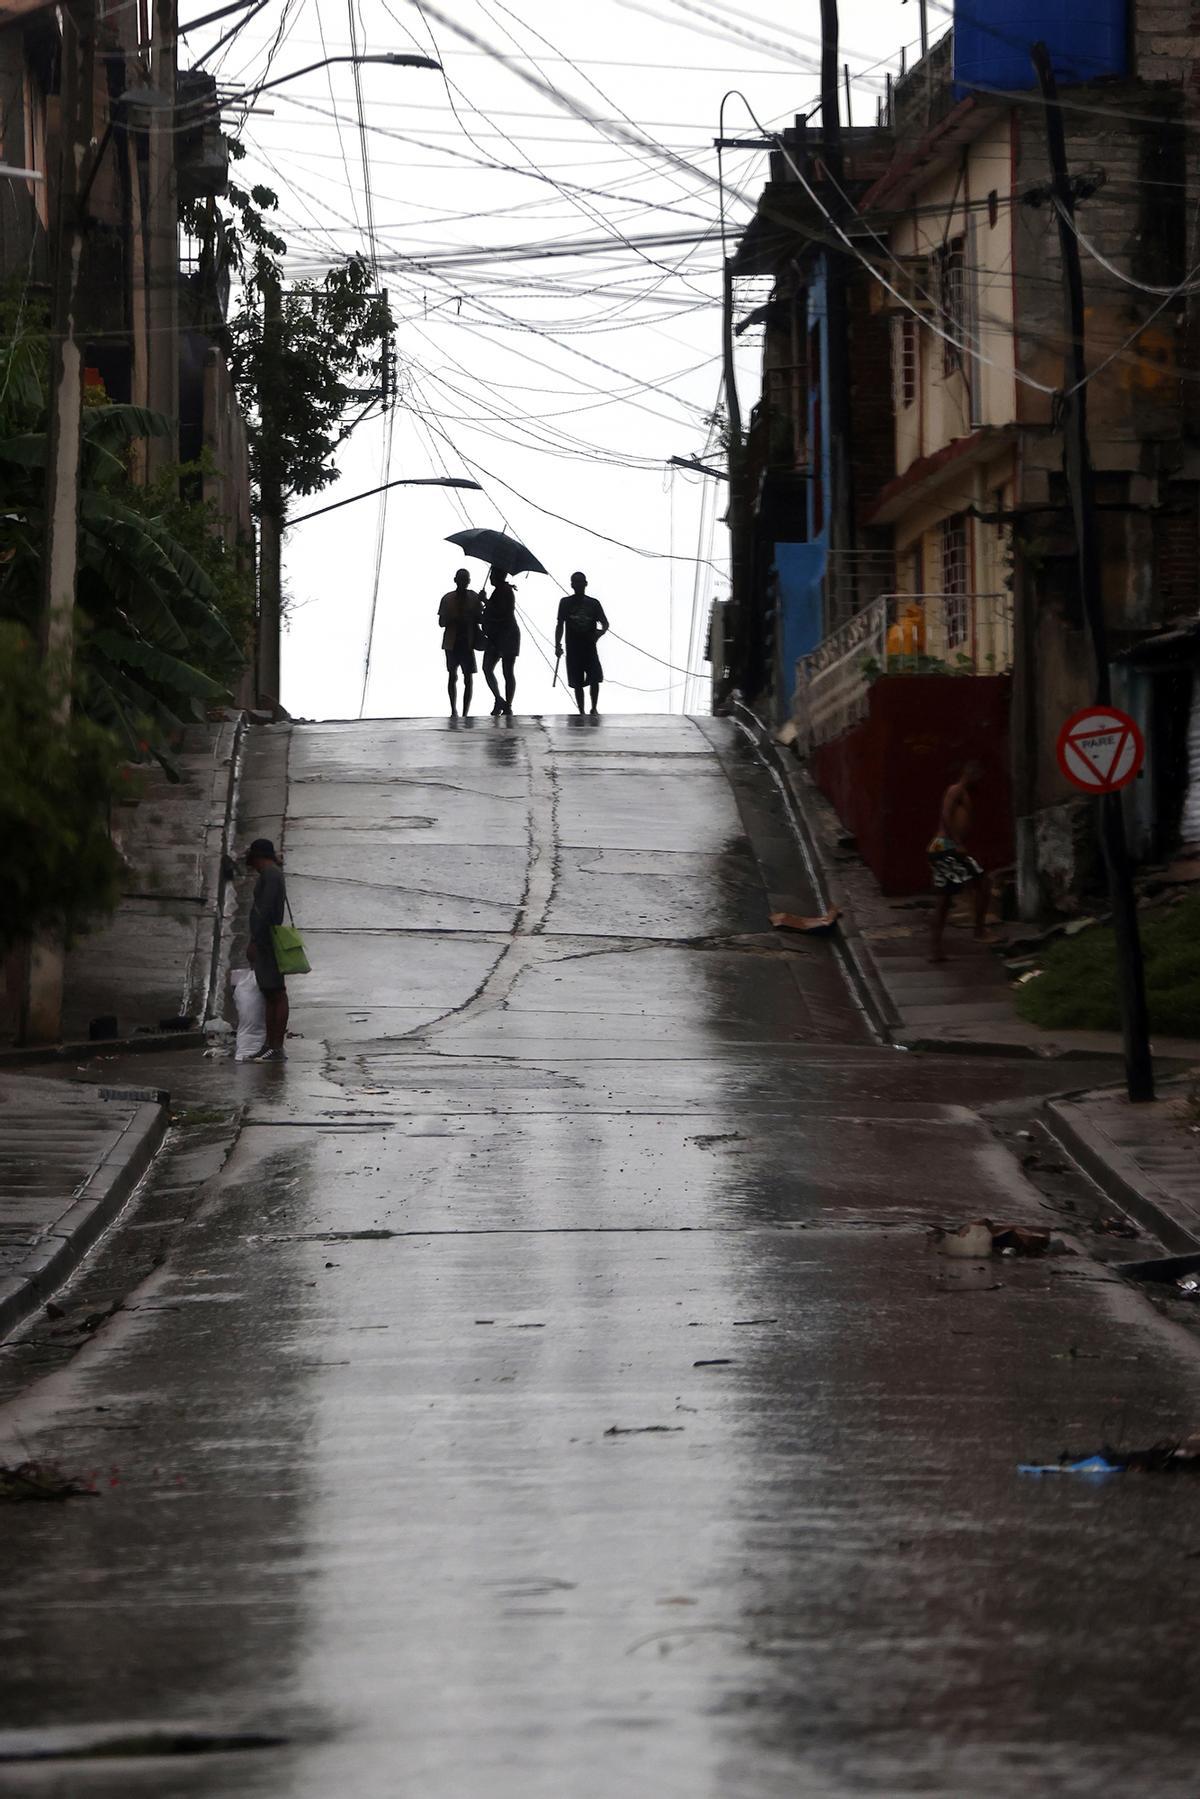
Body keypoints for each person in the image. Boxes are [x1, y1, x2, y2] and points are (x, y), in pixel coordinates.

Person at [927, 760, 993, 963]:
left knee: (944, 900)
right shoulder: (956, 790)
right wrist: (956, 843)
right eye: (979, 775)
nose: (980, 780)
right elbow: (946, 814)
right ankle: (979, 931)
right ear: (970, 772)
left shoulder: (963, 793)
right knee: (984, 882)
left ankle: (936, 950)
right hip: (946, 848)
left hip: (940, 849)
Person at [245, 838, 289, 1061]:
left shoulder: (271, 875)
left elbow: (264, 911)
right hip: (266, 940)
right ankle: (270, 1045)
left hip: (267, 941)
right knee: (270, 992)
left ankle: (276, 1047)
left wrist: (254, 941)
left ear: (259, 857)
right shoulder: (271, 874)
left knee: (276, 993)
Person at [555, 571, 609, 716]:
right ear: (572, 585)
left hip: (589, 647)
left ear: (585, 584)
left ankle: (594, 708)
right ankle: (581, 710)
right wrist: (557, 644)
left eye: (580, 582)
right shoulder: (565, 603)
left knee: (595, 678)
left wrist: (600, 632)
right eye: (575, 582)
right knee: (577, 682)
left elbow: (605, 623)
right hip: (573, 648)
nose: (578, 584)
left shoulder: (593, 603)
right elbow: (560, 624)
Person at [438, 568, 483, 717]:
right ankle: (454, 710)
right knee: (454, 676)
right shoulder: (448, 598)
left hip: (467, 642)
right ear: (456, 580)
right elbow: (441, 622)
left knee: (466, 678)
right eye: (462, 579)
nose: (464, 582)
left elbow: (481, 619)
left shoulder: (474, 598)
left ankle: (464, 712)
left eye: (465, 579)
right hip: (452, 642)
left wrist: (482, 603)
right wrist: (454, 619)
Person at [481, 566, 521, 717]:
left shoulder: (505, 591)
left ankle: (507, 704)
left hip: (508, 635)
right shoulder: (498, 591)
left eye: (492, 575)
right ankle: (499, 699)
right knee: (487, 668)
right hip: (496, 636)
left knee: (507, 671)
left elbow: (502, 612)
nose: (490, 578)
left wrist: (485, 601)